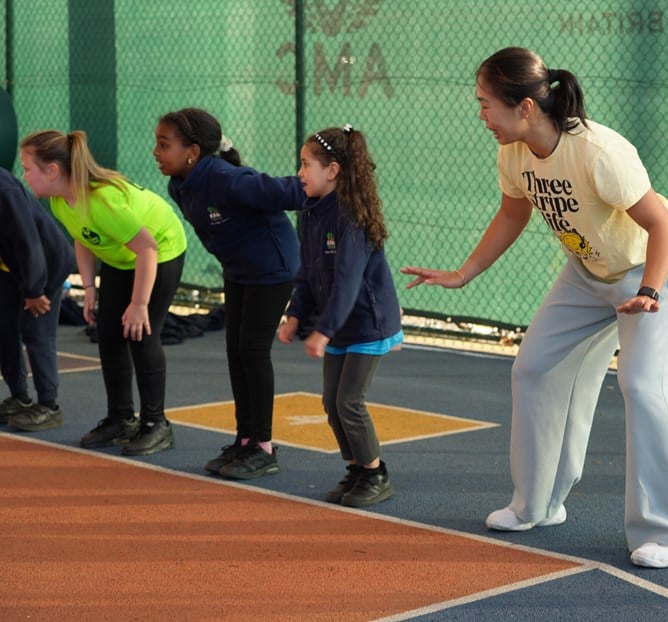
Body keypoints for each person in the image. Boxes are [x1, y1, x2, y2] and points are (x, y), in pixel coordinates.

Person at [400, 47, 668, 569]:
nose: (480, 116)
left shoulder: (599, 152)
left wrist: (651, 291)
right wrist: (462, 273)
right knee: (535, 368)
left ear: (524, 106)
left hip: (656, 268)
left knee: (642, 386)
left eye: (485, 105)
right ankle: (538, 506)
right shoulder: (514, 152)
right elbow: (511, 215)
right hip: (587, 273)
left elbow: (663, 226)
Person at [155, 108, 306, 479]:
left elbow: (290, 192)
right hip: (238, 270)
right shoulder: (179, 184)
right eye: (156, 144)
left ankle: (264, 448)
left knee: (253, 352)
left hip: (272, 269)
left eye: (164, 144)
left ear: (192, 151)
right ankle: (245, 440)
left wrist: (335, 178)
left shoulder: (229, 180)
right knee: (235, 351)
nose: (156, 152)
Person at [19, 130, 187, 456]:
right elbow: (83, 238)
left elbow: (147, 249)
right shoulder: (60, 201)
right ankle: (120, 417)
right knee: (108, 334)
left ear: (52, 171)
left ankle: (156, 424)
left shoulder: (102, 201)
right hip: (120, 256)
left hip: (159, 250)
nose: (24, 175)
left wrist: (139, 304)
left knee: (140, 334)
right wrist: (90, 289)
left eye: (28, 168)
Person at [277, 124, 403, 508]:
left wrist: (323, 331)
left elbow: (347, 281)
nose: (299, 173)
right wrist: (297, 315)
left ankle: (375, 473)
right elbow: (309, 273)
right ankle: (356, 469)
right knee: (331, 403)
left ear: (332, 170)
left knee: (349, 401)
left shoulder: (350, 218)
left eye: (305, 164)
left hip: (367, 324)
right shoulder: (311, 213)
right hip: (338, 328)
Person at [0, 166, 75, 432]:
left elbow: (28, 241)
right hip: (11, 266)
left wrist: (34, 291)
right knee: (4, 329)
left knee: (35, 331)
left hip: (45, 262)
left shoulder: (3, 189)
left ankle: (49, 406)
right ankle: (19, 398)